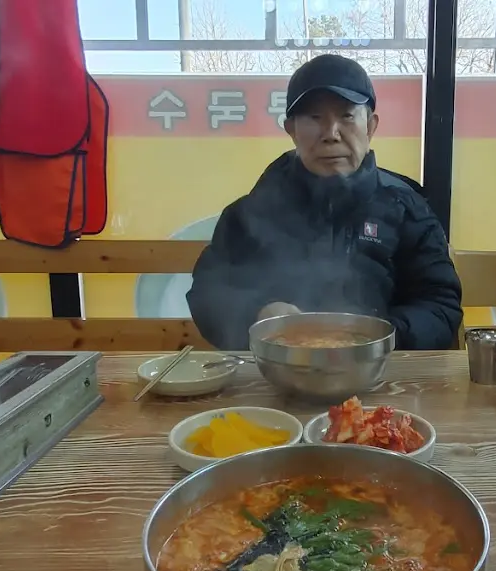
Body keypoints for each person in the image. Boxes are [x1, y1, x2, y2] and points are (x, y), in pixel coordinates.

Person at [187, 54, 462, 351]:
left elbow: (440, 303)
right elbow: (208, 292)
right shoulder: (251, 213)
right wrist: (259, 314)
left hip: (383, 372)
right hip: (275, 370)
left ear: (370, 126)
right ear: (291, 129)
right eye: (315, 118)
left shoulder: (406, 209)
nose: (331, 134)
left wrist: (376, 336)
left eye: (346, 116)